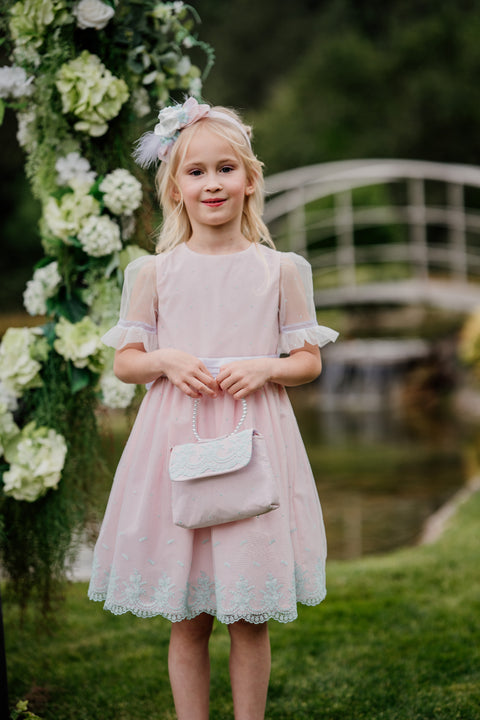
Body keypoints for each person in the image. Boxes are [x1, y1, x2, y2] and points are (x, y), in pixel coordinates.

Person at [88, 97, 338, 720]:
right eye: (195, 172)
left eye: (225, 168)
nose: (212, 183)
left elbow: (308, 360)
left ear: (250, 178)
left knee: (249, 615)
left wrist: (268, 367)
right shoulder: (152, 273)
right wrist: (168, 360)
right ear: (174, 188)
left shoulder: (281, 270)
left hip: (256, 439)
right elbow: (126, 362)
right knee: (189, 614)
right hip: (178, 443)